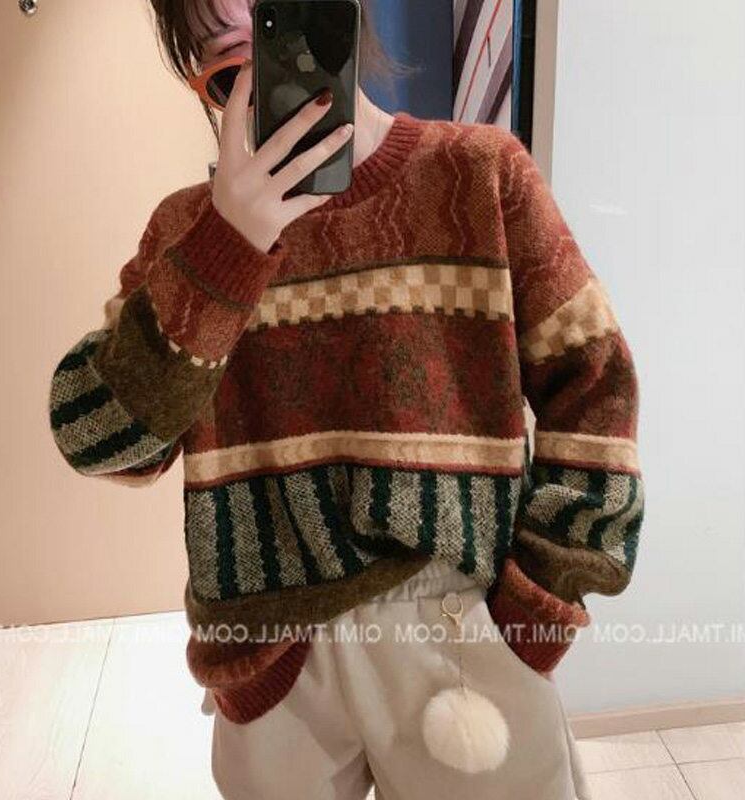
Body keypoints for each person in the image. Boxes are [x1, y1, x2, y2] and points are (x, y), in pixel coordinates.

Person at [48, 1, 645, 797]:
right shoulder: (187, 235)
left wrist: (535, 610)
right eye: (226, 63)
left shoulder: (478, 174)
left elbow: (597, 387)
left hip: (459, 634)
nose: (264, 77)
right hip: (268, 652)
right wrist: (227, 251)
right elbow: (95, 437)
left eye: (282, 28)